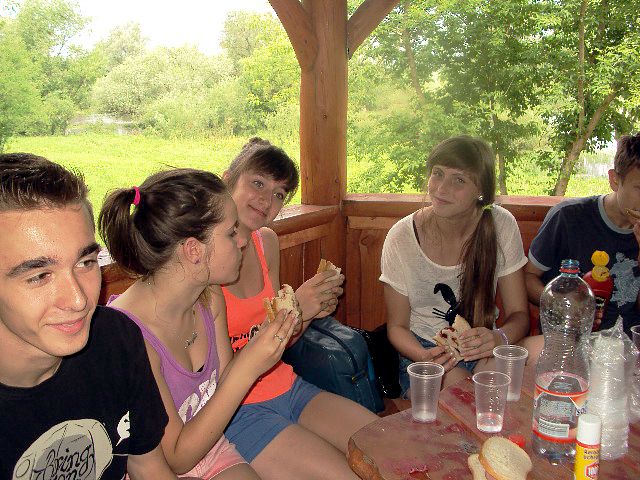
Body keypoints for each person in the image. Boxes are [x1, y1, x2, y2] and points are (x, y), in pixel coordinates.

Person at [99, 168, 298, 479]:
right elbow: (176, 459)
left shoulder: (208, 296)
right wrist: (250, 365)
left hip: (211, 449)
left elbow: (223, 382)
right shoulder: (128, 336)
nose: (242, 241)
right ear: (193, 250)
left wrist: (263, 344)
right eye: (231, 233)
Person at [0, 153, 176, 479]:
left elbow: (148, 467)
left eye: (85, 263)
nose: (79, 300)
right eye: (39, 276)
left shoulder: (115, 339)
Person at [221, 138, 378, 480]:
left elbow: (282, 343)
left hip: (288, 387)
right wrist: (299, 311)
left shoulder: (266, 242)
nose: (267, 200)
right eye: (258, 183)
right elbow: (211, 376)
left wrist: (309, 312)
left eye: (279, 194)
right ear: (227, 179)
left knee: (387, 448)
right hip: (236, 412)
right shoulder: (203, 258)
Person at [379, 136, 531, 393]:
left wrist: (498, 337)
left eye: (459, 180)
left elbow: (519, 315)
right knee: (464, 390)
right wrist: (425, 357)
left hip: (485, 346)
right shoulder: (401, 236)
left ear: (481, 189)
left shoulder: (500, 225)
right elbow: (397, 327)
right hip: (424, 350)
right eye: (437, 173)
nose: (441, 188)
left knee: (542, 354)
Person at [526, 133, 640, 339]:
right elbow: (527, 278)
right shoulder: (568, 217)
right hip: (568, 340)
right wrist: (561, 305)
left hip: (629, 345)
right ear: (614, 180)